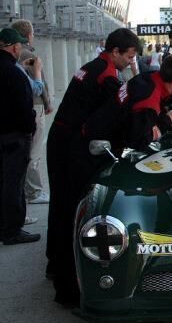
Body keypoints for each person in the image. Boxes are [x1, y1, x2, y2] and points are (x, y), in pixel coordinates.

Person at [46, 28, 138, 305]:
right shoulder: (106, 76)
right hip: (70, 146)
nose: (131, 62)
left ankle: (55, 265)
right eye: (129, 56)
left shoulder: (93, 67)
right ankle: (66, 283)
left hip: (63, 139)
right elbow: (114, 116)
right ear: (115, 52)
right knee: (71, 208)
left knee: (61, 205)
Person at [82, 54, 172, 153]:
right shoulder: (149, 100)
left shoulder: (149, 77)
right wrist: (167, 121)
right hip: (98, 147)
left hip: (93, 131)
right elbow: (137, 141)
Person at [0, 28, 40, 246]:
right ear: (14, 47)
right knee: (14, 184)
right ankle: (13, 230)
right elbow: (25, 108)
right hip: (15, 137)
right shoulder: (15, 74)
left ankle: (3, 226)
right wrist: (29, 129)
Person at [12, 20, 52, 207]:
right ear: (28, 35)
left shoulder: (16, 56)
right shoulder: (28, 55)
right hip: (35, 107)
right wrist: (48, 103)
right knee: (34, 151)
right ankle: (34, 191)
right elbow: (40, 82)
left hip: (22, 107)